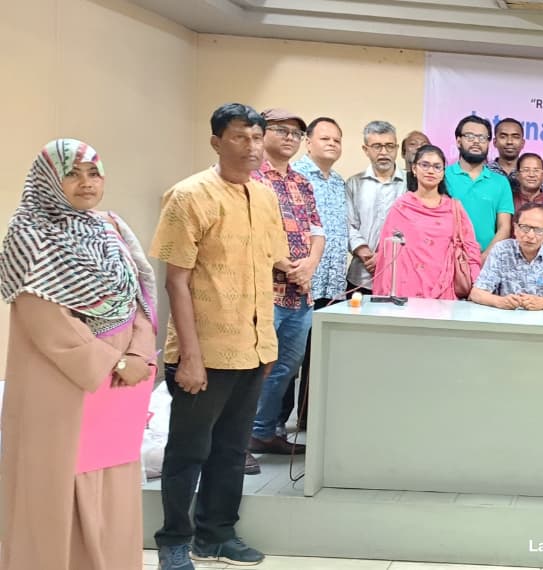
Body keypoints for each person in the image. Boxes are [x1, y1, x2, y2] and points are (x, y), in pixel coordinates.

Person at [0, 139, 157, 570]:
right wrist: (113, 363)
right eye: (72, 173)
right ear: (49, 181)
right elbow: (46, 321)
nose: (86, 183)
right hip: (61, 387)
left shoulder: (109, 228)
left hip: (120, 384)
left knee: (114, 485)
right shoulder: (29, 237)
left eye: (93, 173)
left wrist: (139, 353)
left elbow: (137, 298)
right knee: (57, 488)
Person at [151, 103, 290, 568]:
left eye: (256, 137)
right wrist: (189, 356)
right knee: (189, 451)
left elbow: (266, 272)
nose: (252, 147)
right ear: (216, 142)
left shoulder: (265, 197)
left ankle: (216, 534)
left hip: (251, 348)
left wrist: (266, 344)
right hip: (204, 351)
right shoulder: (188, 196)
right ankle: (174, 540)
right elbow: (176, 281)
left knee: (232, 450)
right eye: (239, 137)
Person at [249, 108, 322, 457]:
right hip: (263, 291)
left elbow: (318, 230)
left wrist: (309, 265)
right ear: (262, 133)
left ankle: (263, 433)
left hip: (300, 293)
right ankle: (237, 442)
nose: (290, 137)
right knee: (253, 368)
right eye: (281, 130)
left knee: (286, 368)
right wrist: (285, 265)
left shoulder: (302, 182)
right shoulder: (249, 178)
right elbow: (251, 233)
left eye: (296, 133)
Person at [284, 116, 347, 433]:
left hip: (331, 285)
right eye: (325, 138)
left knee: (317, 357)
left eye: (337, 140)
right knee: (287, 360)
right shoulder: (293, 176)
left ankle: (309, 420)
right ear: (308, 142)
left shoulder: (338, 181)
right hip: (299, 281)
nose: (332, 144)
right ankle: (271, 426)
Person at [374, 145, 482, 300]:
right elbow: (387, 255)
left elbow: (470, 248)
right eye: (425, 165)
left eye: (437, 167)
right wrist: (385, 295)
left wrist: (477, 286)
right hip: (406, 291)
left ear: (443, 172)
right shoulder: (402, 207)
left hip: (443, 290)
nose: (430, 171)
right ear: (414, 169)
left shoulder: (454, 208)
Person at [470, 203, 543, 310]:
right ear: (515, 228)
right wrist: (500, 301)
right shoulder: (502, 250)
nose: (530, 235)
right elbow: (476, 293)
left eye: (538, 230)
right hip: (509, 319)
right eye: (525, 228)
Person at [347, 120, 406, 293]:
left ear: (397, 148)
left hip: (401, 276)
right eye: (377, 146)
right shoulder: (354, 183)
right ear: (366, 149)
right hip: (362, 275)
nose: (384, 152)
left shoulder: (411, 183)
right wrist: (365, 253)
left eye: (389, 146)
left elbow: (415, 228)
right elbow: (347, 225)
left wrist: (385, 255)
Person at [445, 115, 514, 257]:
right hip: (446, 258)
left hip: (486, 261)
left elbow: (504, 228)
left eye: (482, 138)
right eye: (470, 136)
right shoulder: (443, 176)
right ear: (458, 141)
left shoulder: (500, 182)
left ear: (488, 143)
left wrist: (483, 260)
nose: (476, 141)